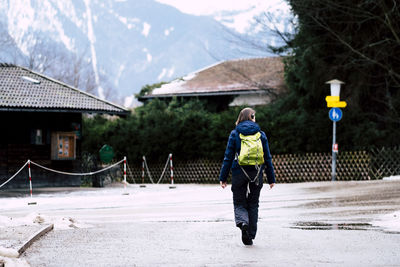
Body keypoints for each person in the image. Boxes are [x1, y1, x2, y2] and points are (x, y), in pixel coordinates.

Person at [219, 107, 275, 246]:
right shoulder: (261, 134)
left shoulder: (235, 134)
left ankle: (243, 222)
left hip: (239, 172)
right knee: (253, 203)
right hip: (256, 173)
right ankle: (250, 234)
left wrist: (223, 177)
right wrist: (271, 178)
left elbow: (228, 157)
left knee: (239, 202)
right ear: (252, 117)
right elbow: (267, 157)